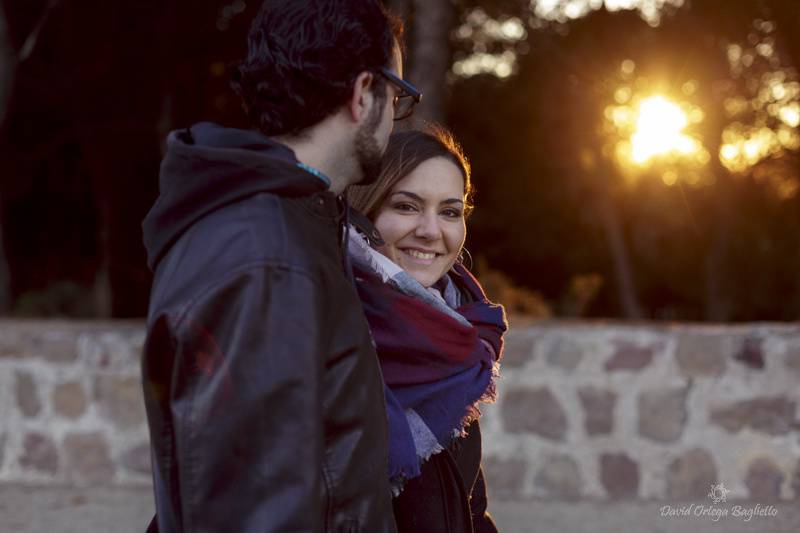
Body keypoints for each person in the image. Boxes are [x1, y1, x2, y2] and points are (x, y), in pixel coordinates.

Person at [140, 1, 421, 531]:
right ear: (364, 94)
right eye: (397, 96)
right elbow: (256, 511)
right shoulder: (265, 256)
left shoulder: (292, 226)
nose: (394, 117)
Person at [347, 127, 507, 533]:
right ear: (365, 210)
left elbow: (468, 511)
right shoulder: (323, 326)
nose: (431, 231)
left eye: (450, 211)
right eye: (406, 206)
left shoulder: (455, 341)